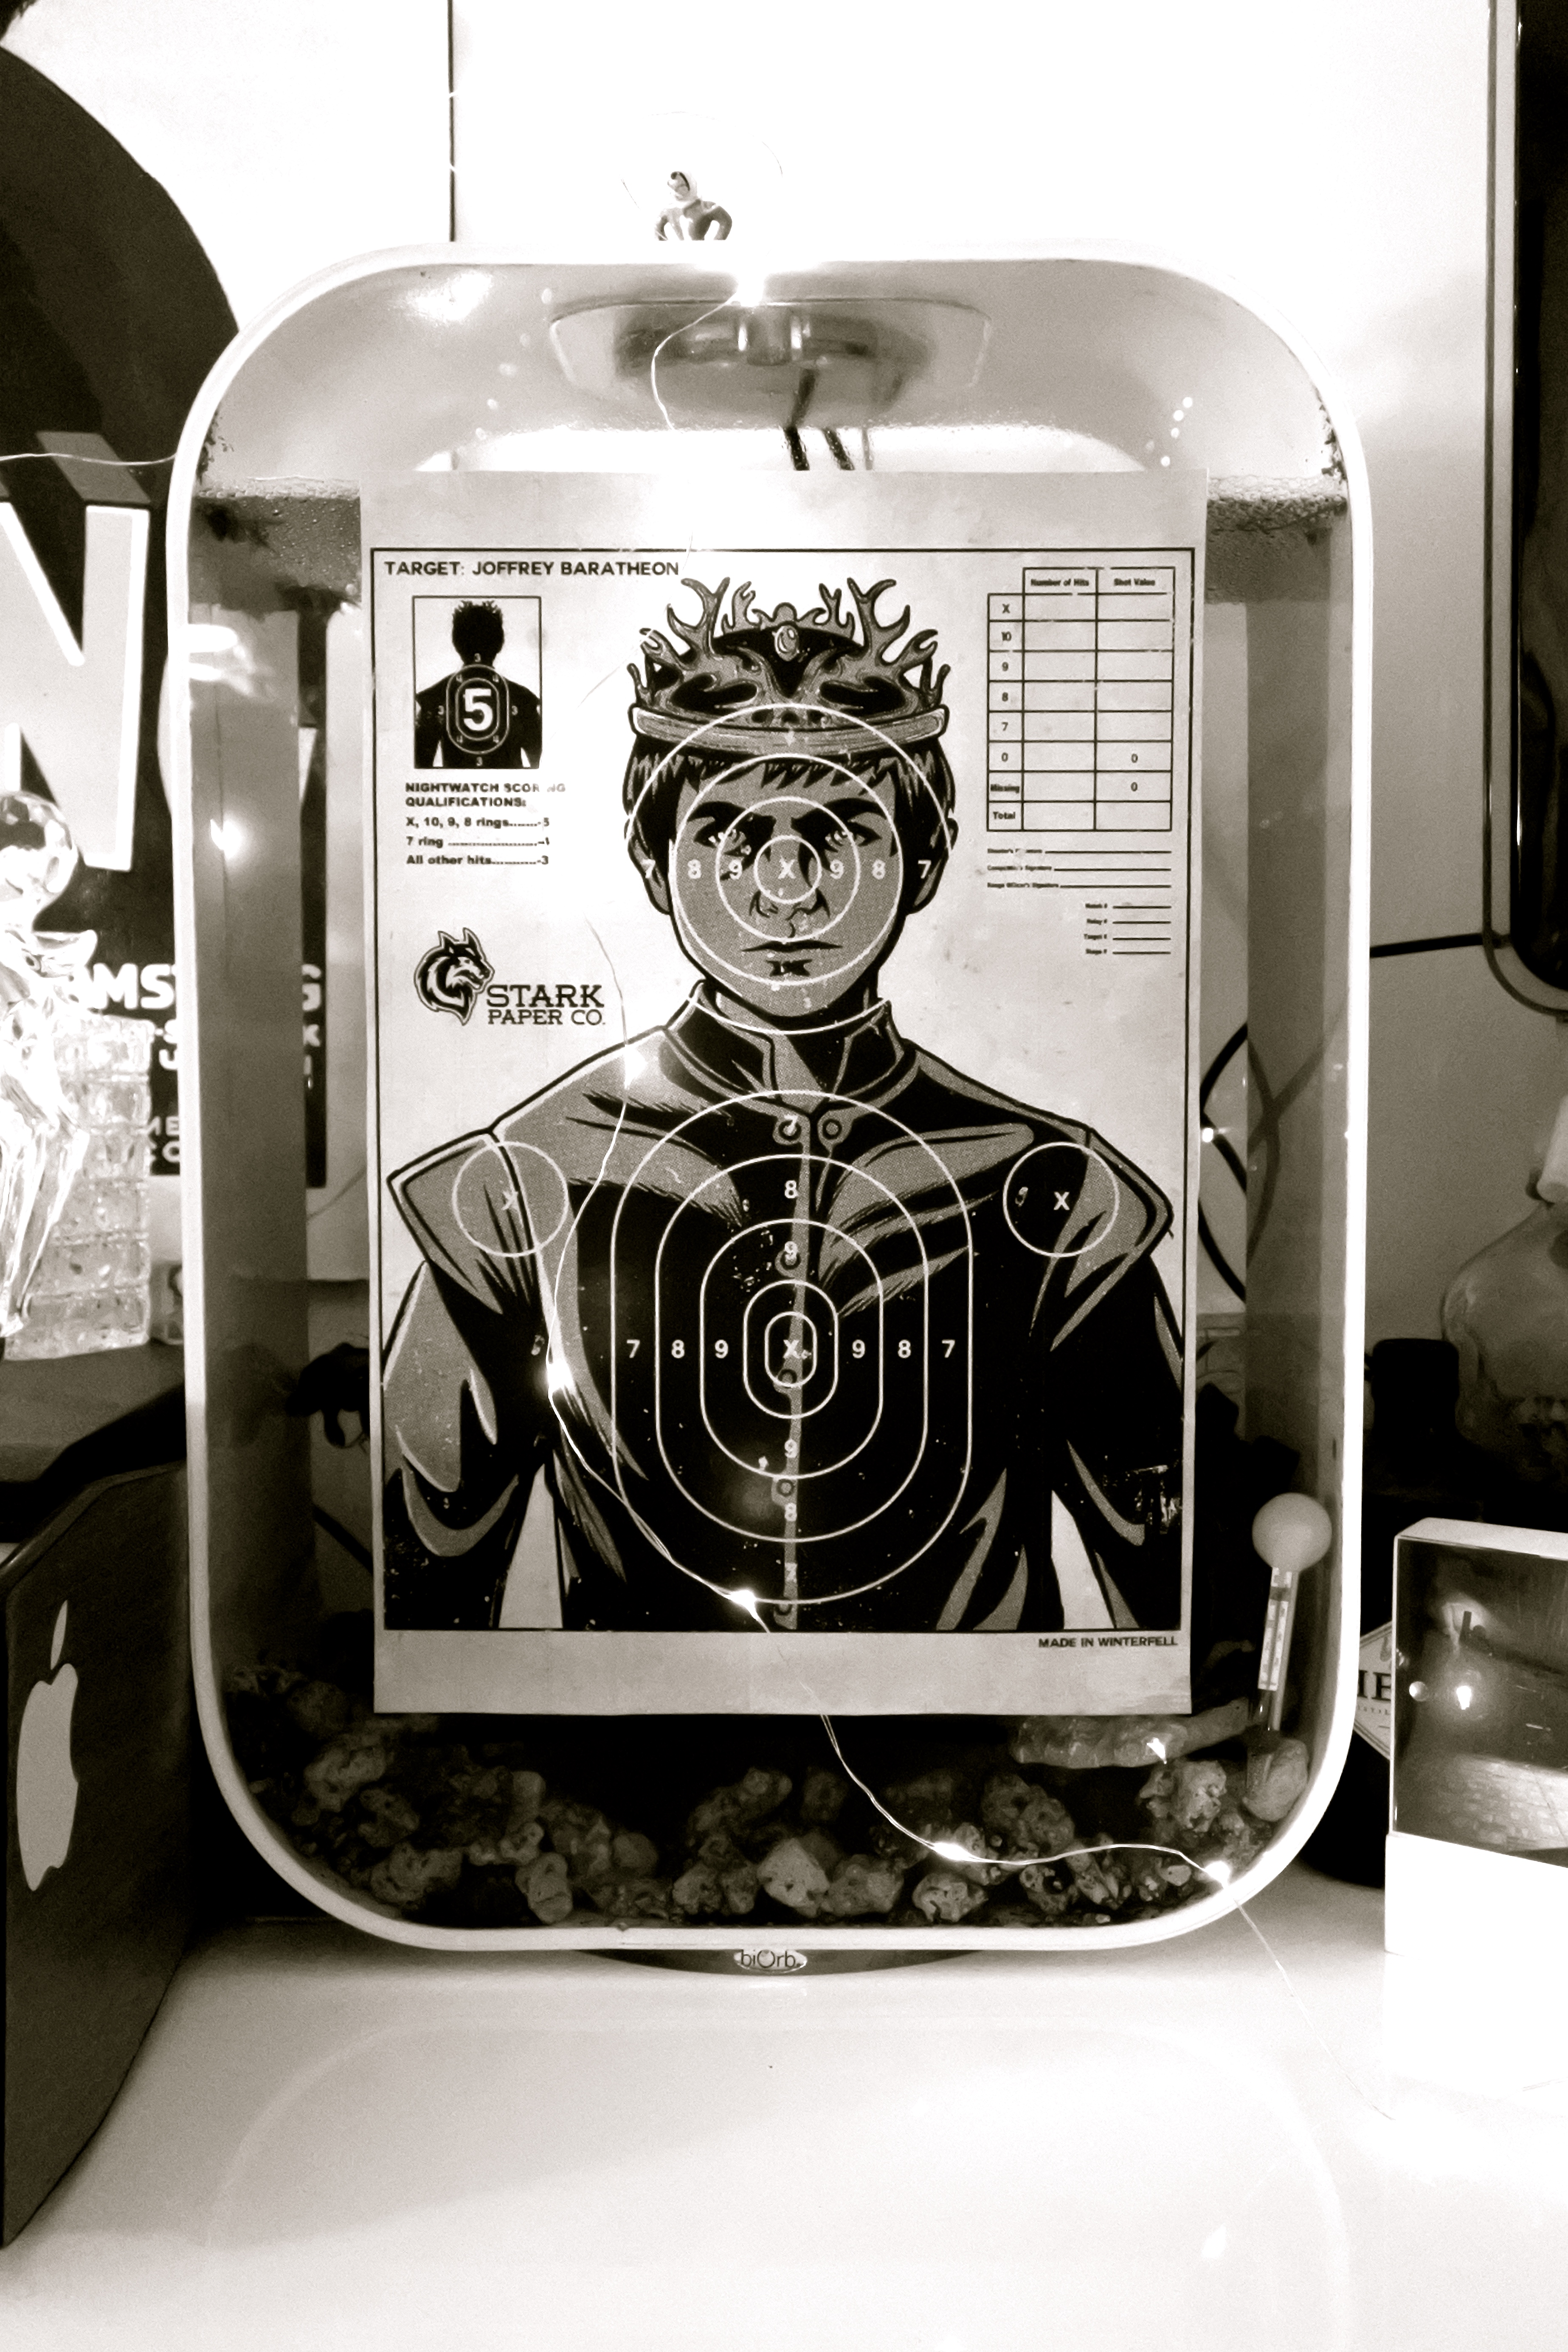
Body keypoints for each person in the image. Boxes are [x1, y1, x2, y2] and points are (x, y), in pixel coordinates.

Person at [382, 577, 1183, 1634]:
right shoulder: (517, 1186)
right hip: (631, 1740)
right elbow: (422, 1605)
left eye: (843, 828)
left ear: (924, 858)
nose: (788, 886)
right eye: (727, 831)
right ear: (653, 863)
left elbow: (1168, 1586)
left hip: (977, 1738)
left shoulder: (1053, 1192)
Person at [414, 600, 541, 769]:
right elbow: (542, 764)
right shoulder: (523, 699)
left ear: (457, 644)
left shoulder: (434, 698)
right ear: (500, 644)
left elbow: (420, 767)